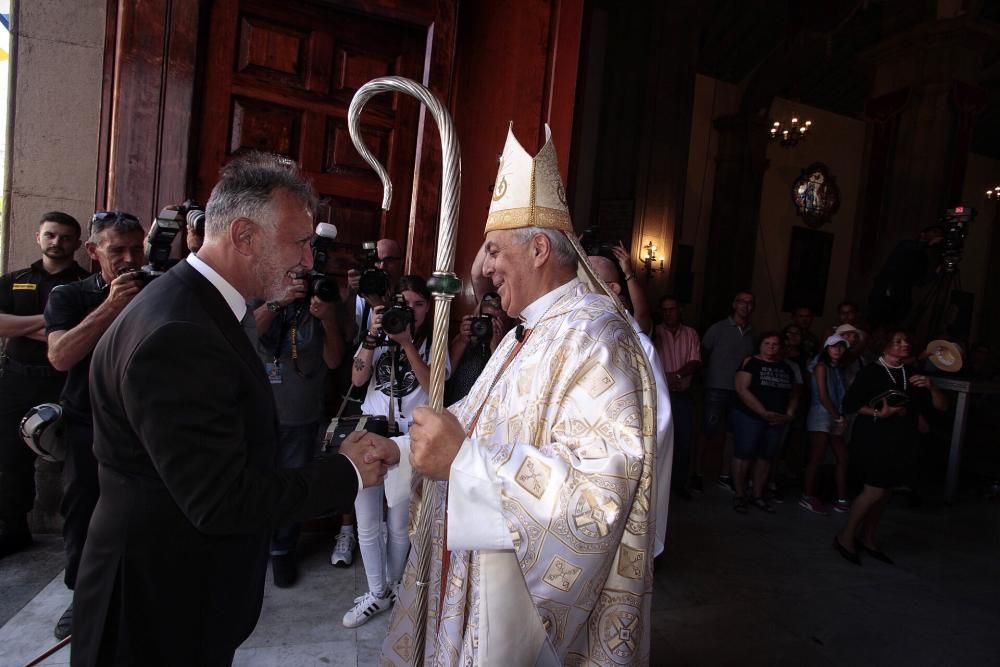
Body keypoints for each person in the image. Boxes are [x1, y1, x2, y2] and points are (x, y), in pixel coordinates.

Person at [70, 152, 395, 666]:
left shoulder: (193, 304)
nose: (310, 262)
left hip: (175, 599)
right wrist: (346, 472)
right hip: (155, 612)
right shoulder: (180, 332)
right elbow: (221, 500)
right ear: (244, 235)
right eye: (301, 243)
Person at [367, 125, 656, 664]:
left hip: (526, 610)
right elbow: (472, 420)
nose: (487, 266)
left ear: (540, 248)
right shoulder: (533, 328)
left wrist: (469, 463)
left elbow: (599, 497)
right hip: (477, 568)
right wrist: (405, 450)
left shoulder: (596, 336)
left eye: (496, 250)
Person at [43, 210, 146, 639]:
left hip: (142, 426)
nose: (128, 258)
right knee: (84, 514)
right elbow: (60, 355)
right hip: (87, 424)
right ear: (92, 251)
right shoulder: (70, 295)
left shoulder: (158, 289)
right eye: (116, 249)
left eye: (134, 248)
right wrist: (111, 306)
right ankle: (83, 597)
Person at [342, 274, 448, 627]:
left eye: (419, 304)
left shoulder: (434, 342)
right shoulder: (374, 336)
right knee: (368, 521)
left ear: (428, 308)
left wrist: (406, 344)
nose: (412, 311)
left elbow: (435, 389)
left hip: (407, 439)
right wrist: (373, 335)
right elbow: (357, 379)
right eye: (406, 304)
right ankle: (376, 592)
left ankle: (395, 586)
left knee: (400, 524)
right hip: (371, 434)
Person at [0, 212, 89, 559]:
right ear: (38, 237)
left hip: (64, 382)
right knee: (10, 457)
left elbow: (83, 331)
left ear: (79, 245)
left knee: (75, 462)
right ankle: (13, 527)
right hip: (17, 380)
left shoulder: (86, 283)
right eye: (50, 235)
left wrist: (25, 328)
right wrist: (54, 324)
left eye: (66, 237)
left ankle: (74, 535)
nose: (57, 242)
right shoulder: (15, 279)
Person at [250, 272, 345, 588]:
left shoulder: (323, 300)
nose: (297, 280)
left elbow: (333, 361)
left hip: (301, 415)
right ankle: (253, 548)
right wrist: (279, 301)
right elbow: (246, 336)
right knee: (253, 484)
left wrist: (328, 317)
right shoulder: (258, 290)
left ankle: (282, 550)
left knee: (291, 487)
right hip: (257, 414)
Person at [834, 329, 947, 566]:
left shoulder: (911, 372)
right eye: (897, 341)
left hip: (902, 438)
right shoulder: (872, 372)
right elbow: (849, 404)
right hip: (874, 436)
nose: (904, 344)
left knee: (885, 492)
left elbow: (941, 407)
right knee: (873, 490)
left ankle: (868, 537)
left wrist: (932, 387)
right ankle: (846, 537)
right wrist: (879, 412)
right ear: (884, 346)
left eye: (906, 341)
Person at [589, 254, 673, 556]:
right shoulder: (574, 333)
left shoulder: (635, 343)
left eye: (586, 275)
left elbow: (655, 421)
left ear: (613, 287)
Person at [731, 332, 801, 513]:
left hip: (777, 420)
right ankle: (739, 494)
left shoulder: (786, 367)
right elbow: (742, 389)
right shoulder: (750, 362)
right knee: (744, 454)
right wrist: (762, 412)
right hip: (750, 416)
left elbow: (793, 394)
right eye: (767, 343)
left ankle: (757, 495)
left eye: (775, 344)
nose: (771, 347)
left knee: (766, 457)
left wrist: (789, 414)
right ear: (760, 345)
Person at [694, 290, 756, 493]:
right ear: (734, 304)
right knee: (707, 432)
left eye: (750, 303)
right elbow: (702, 353)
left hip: (741, 391)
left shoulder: (753, 334)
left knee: (732, 435)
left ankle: (724, 474)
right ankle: (697, 472)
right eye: (742, 302)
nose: (745, 306)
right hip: (717, 387)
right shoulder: (718, 328)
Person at [654, 296, 701, 499]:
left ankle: (679, 484)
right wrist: (666, 378)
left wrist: (677, 375)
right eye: (664, 310)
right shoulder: (654, 332)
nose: (668, 313)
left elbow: (695, 360)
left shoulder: (690, 333)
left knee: (683, 440)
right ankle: (658, 487)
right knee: (659, 441)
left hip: (682, 393)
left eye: (672, 309)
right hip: (660, 395)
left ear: (679, 310)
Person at [799, 335, 850, 515]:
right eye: (833, 347)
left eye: (841, 347)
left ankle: (842, 498)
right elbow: (823, 396)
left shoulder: (838, 369)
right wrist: (839, 417)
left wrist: (840, 416)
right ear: (826, 349)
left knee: (843, 457)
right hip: (821, 414)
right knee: (817, 457)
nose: (837, 350)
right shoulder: (821, 366)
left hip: (835, 414)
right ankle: (806, 496)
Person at [445, 290, 512, 405]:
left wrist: (496, 348)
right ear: (477, 316)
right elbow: (447, 373)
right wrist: (462, 339)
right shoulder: (466, 339)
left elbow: (503, 384)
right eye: (486, 318)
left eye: (495, 319)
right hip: (457, 404)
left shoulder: (509, 345)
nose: (489, 324)